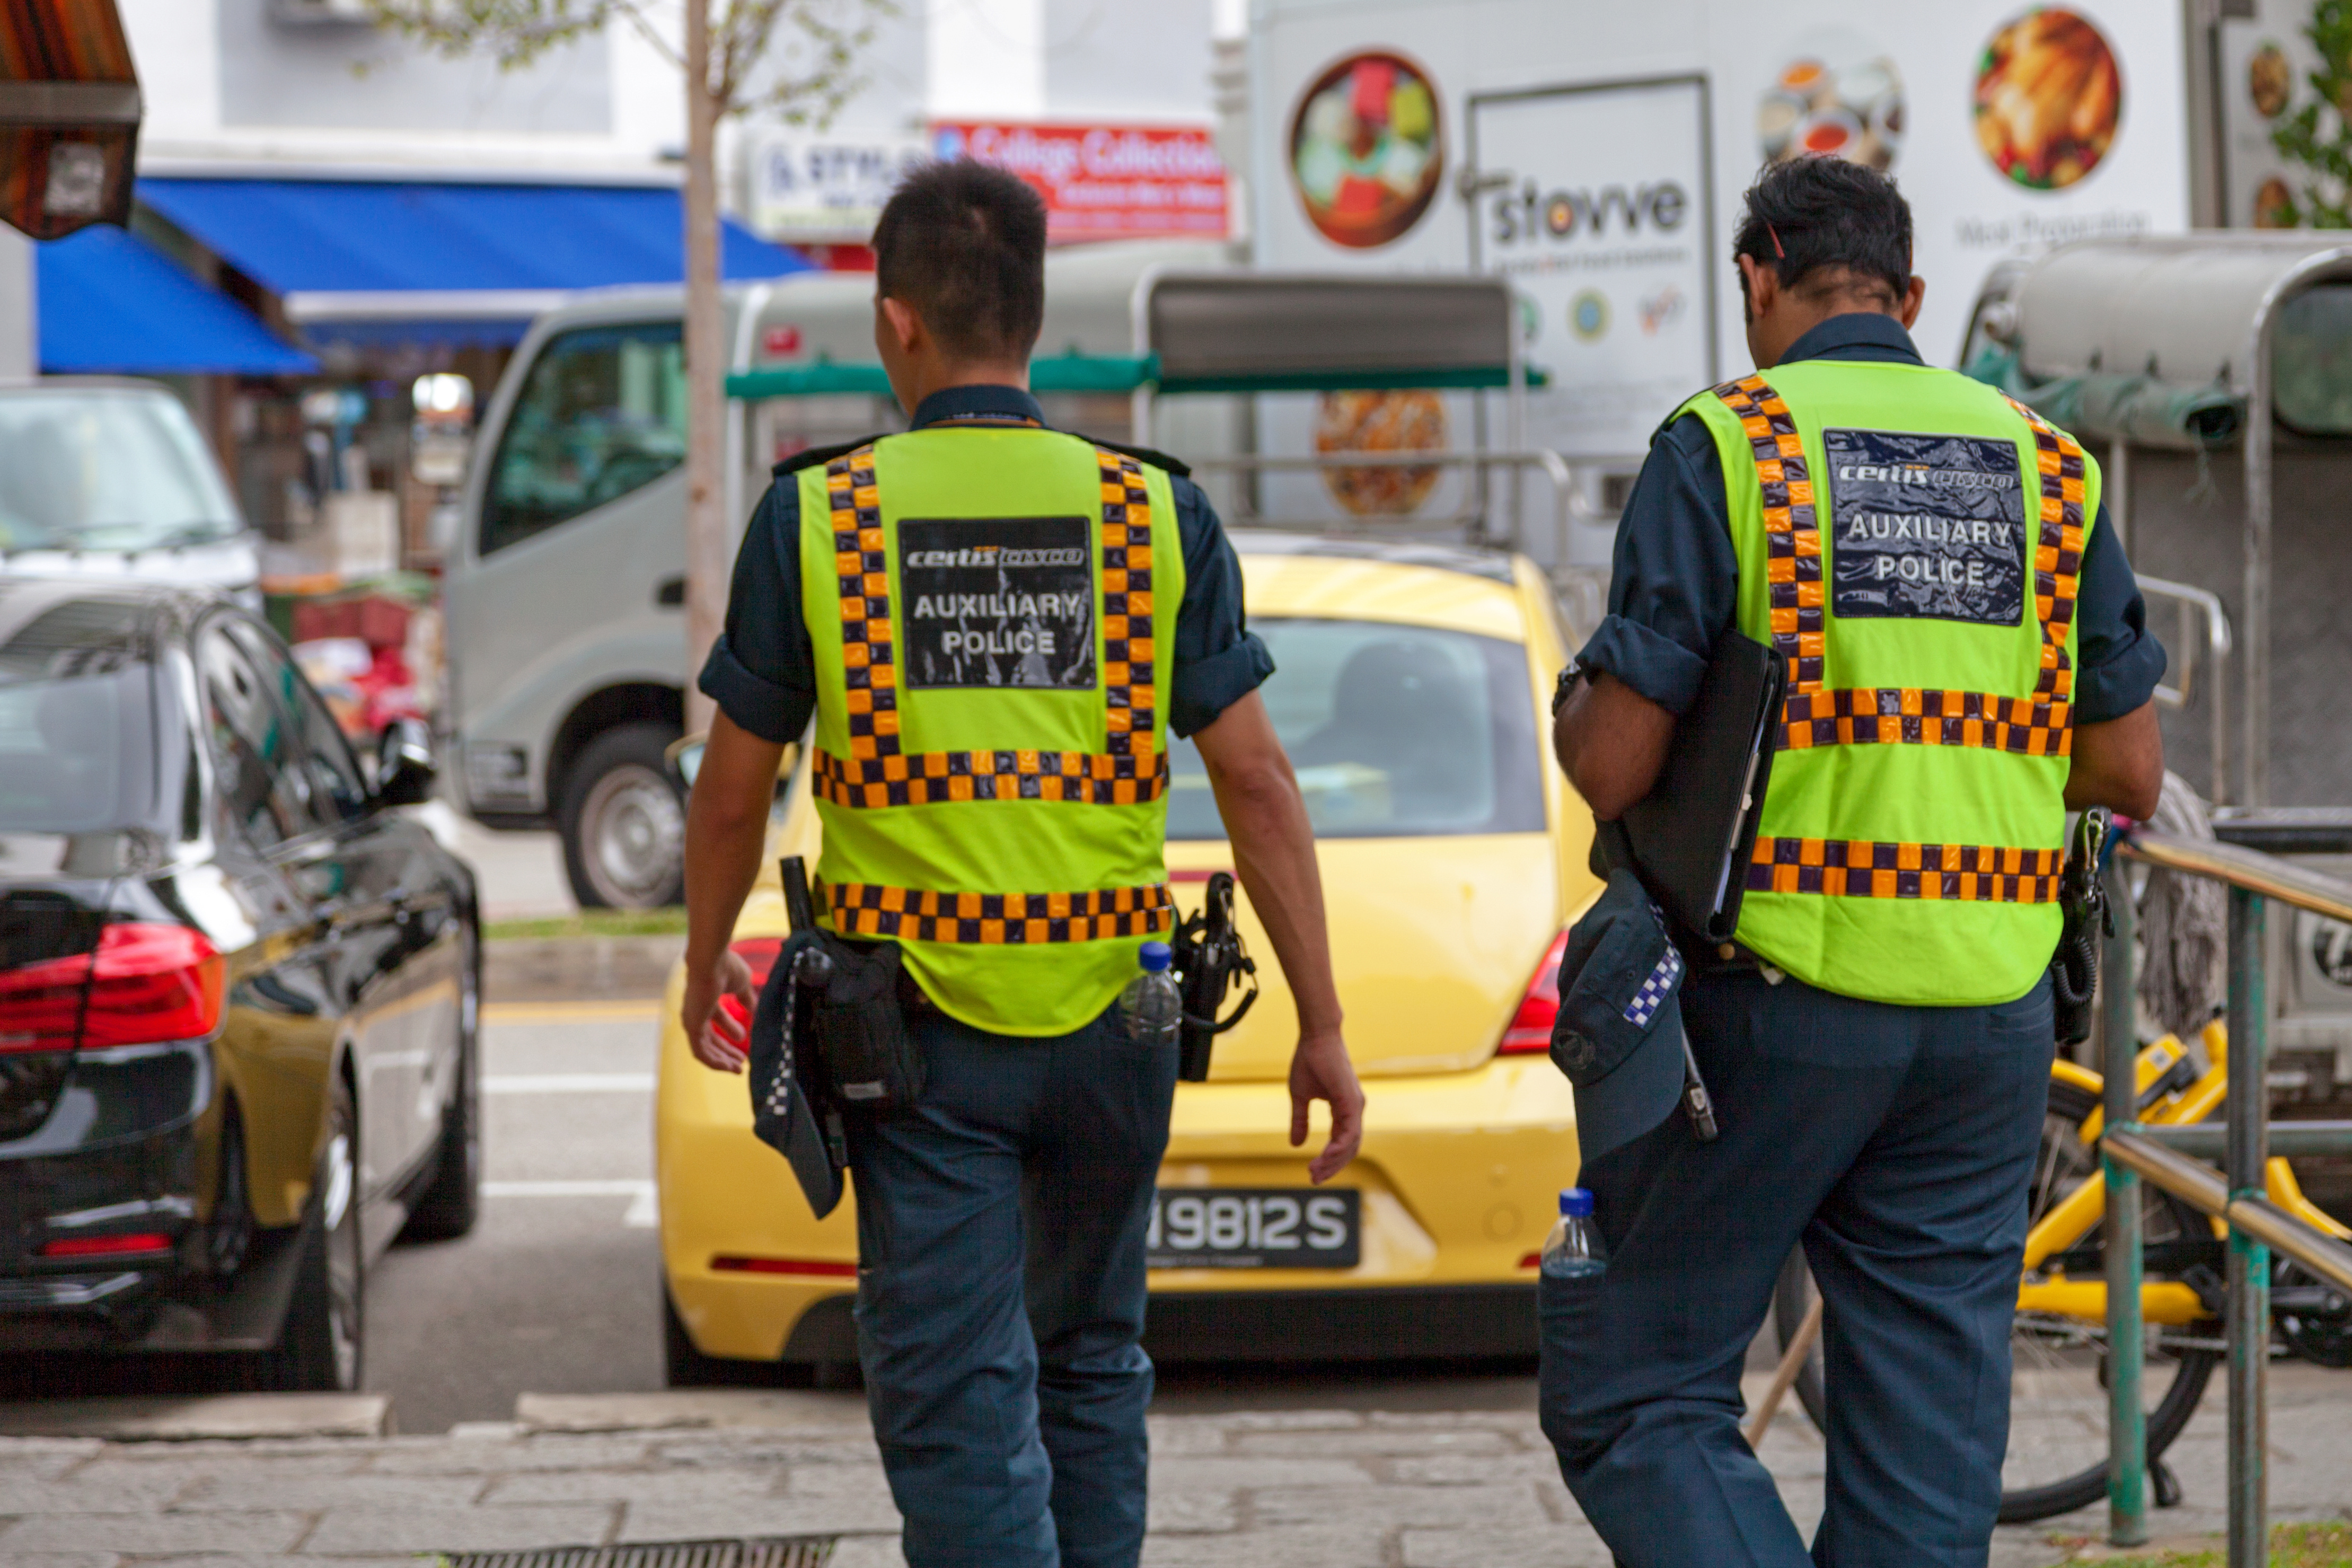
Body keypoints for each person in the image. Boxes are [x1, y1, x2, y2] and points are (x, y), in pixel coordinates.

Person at [675, 159, 1365, 1568]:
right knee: (1093, 1362)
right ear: (1032, 320)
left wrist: (703, 963)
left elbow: (731, 788)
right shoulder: (1150, 514)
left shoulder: (819, 519)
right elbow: (1256, 777)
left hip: (922, 1044)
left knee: (953, 1389)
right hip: (1121, 1020)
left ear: (896, 321)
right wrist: (1326, 1025)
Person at [1544, 156, 2166, 1566]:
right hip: (1991, 1023)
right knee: (1926, 1454)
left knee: (1637, 1389)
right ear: (1912, 295)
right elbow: (2129, 770)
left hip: (1770, 1011)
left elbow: (1615, 761)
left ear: (1756, 279)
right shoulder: (2049, 466)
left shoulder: (1732, 446)